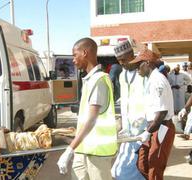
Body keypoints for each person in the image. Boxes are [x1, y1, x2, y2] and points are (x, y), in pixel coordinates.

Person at [57, 38, 118, 180]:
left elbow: (91, 119)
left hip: (98, 153)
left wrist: (70, 149)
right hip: (83, 148)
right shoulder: (89, 80)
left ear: (84, 53)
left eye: (74, 55)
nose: (73, 60)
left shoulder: (99, 80)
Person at [130, 48, 175, 180]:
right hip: (153, 127)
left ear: (148, 63)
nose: (136, 68)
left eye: (139, 64)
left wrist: (148, 132)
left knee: (155, 167)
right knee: (142, 164)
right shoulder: (151, 80)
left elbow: (161, 113)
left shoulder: (157, 81)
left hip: (161, 127)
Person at [110, 40, 146, 180]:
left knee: (136, 170)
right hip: (128, 130)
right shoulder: (122, 75)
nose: (121, 63)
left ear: (132, 54)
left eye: (123, 59)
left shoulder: (143, 72)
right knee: (119, 171)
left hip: (143, 130)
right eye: (119, 60)